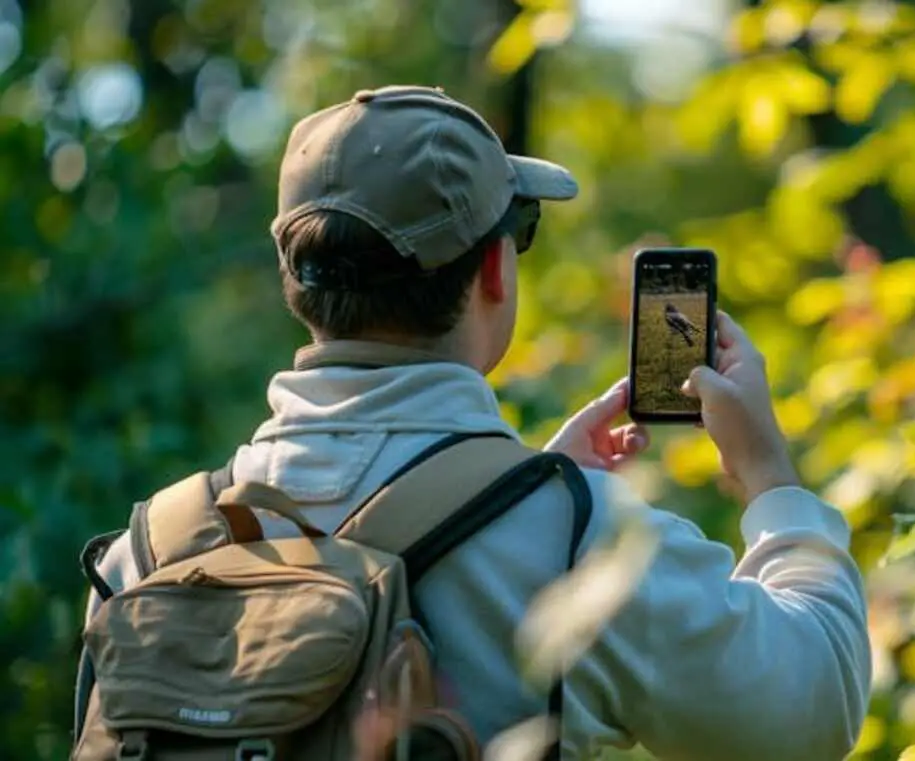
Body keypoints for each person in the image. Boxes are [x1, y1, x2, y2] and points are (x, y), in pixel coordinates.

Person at [82, 85, 871, 761]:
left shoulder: (144, 551)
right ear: (495, 266)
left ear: (297, 285)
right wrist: (767, 474)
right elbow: (814, 706)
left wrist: (522, 485)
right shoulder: (578, 542)